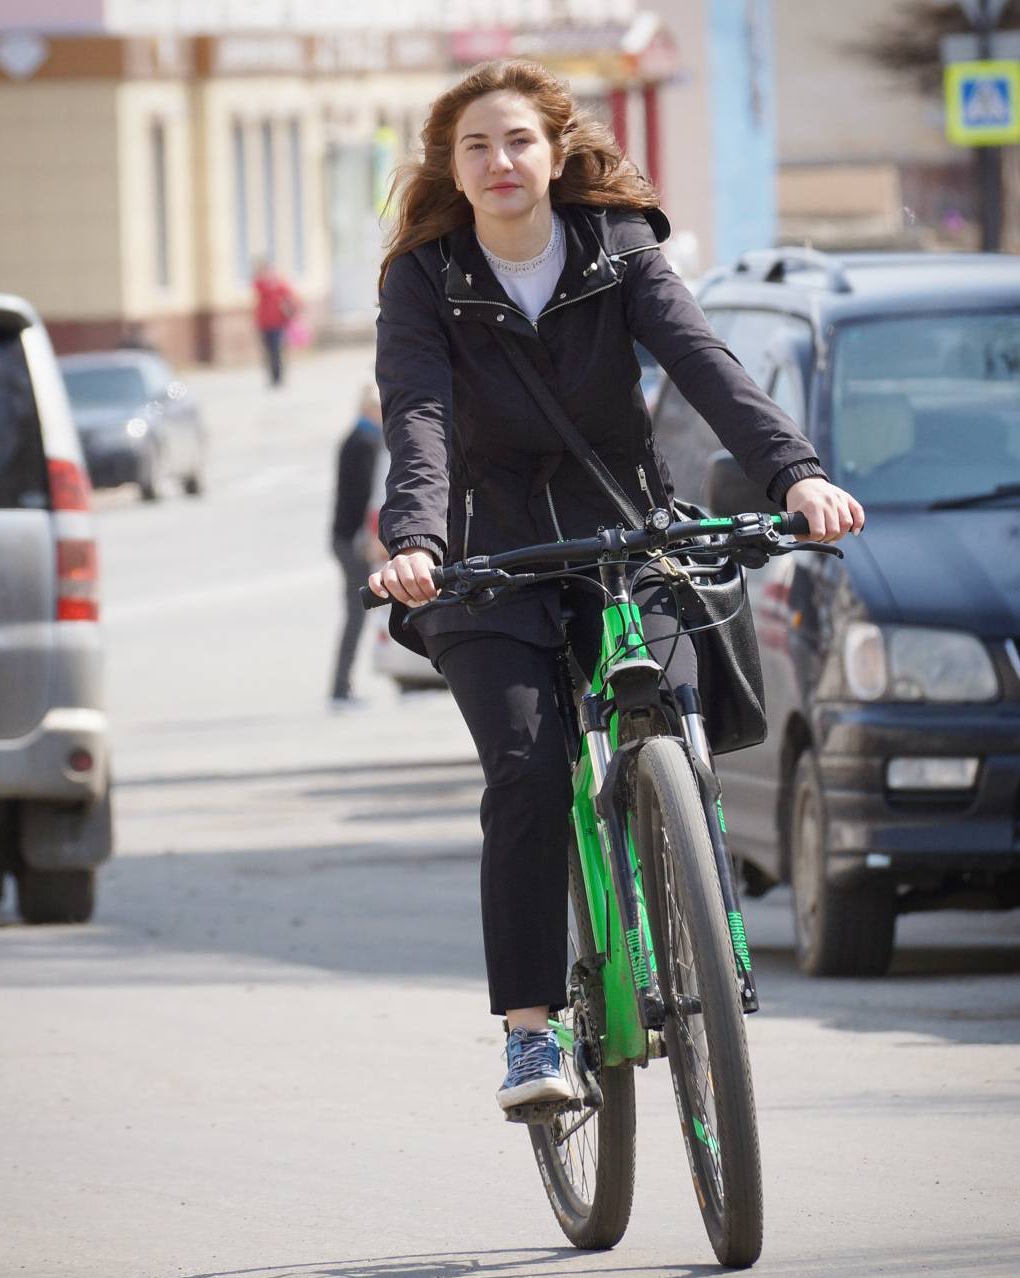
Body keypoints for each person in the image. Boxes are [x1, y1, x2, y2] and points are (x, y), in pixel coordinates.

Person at [367, 60, 865, 1111]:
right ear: (451, 168)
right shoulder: (424, 278)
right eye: (474, 146)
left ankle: (687, 898)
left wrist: (797, 473)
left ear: (556, 152)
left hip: (620, 531)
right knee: (526, 772)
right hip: (484, 560)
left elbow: (703, 361)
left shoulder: (619, 248)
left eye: (518, 140)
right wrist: (415, 539)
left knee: (671, 715)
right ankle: (531, 1036)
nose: (499, 162)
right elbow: (418, 414)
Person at [329, 386, 383, 706]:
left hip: (344, 538)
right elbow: (368, 497)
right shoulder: (367, 442)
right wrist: (372, 539)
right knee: (356, 614)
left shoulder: (355, 438)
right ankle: (340, 686)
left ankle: (342, 685)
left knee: (356, 614)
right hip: (354, 541)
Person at [252, 259, 298, 387]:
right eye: (265, 271)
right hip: (264, 323)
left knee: (277, 349)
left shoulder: (281, 285)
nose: (268, 274)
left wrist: (290, 312)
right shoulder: (260, 285)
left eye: (270, 271)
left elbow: (292, 298)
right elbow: (256, 289)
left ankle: (278, 376)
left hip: (279, 323)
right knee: (268, 350)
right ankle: (271, 376)